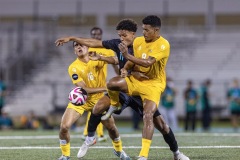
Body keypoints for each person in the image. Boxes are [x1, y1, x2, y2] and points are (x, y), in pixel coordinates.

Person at [55, 18, 189, 160]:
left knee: (161, 125)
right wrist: (72, 38)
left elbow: (143, 63)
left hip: (145, 89)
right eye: (119, 35)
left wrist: (129, 67)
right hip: (127, 86)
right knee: (98, 106)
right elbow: (99, 46)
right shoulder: (119, 44)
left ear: (133, 34)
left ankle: (176, 152)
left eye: (124, 35)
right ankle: (90, 137)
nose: (121, 39)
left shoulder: (141, 44)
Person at [56, 41, 130, 160]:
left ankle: (119, 150)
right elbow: (84, 89)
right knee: (64, 127)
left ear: (88, 47)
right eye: (76, 46)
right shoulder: (73, 67)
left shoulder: (97, 56)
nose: (79, 47)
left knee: (111, 127)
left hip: (100, 100)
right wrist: (107, 87)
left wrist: (105, 58)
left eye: (81, 44)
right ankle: (65, 155)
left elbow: (117, 60)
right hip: (81, 100)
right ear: (74, 51)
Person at [81, 27, 116, 142]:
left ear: (101, 35)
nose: (96, 37)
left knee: (94, 109)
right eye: (93, 35)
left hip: (101, 83)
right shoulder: (86, 48)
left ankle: (87, 133)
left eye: (98, 35)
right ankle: (99, 134)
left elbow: (115, 64)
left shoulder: (108, 49)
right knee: (98, 109)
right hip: (90, 83)